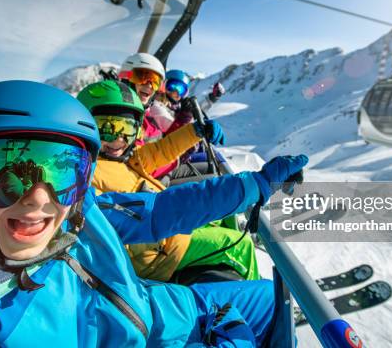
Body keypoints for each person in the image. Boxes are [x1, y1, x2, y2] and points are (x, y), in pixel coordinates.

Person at [0, 80, 308, 347]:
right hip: (153, 336)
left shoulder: (79, 213)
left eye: (64, 169)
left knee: (279, 301)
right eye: (0, 171)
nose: (37, 198)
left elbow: (158, 210)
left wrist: (255, 185)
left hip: (172, 307)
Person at [77, 80, 258, 282]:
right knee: (241, 247)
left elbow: (162, 150)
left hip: (168, 232)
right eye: (107, 128)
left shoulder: (125, 159)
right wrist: (177, 222)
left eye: (126, 129)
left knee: (221, 217)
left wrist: (196, 132)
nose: (118, 140)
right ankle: (269, 307)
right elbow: (112, 234)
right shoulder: (88, 176)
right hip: (160, 253)